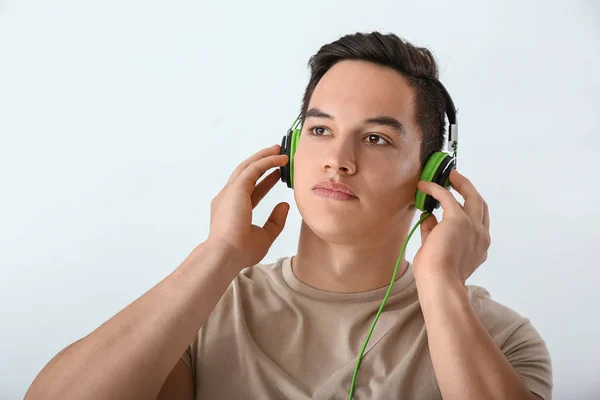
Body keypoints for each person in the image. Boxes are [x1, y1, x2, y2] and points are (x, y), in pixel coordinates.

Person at [24, 31, 552, 400]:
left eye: (375, 139)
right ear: (291, 149)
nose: (337, 161)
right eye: (320, 130)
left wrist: (440, 284)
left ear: (432, 177)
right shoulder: (202, 312)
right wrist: (217, 256)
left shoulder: (499, 339)